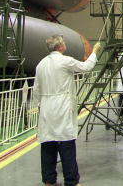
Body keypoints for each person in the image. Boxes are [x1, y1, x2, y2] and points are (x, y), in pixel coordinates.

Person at [32, 35, 101, 186]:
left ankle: (49, 181)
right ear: (60, 47)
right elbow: (86, 67)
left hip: (46, 108)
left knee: (48, 145)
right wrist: (95, 51)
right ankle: (71, 181)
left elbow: (36, 89)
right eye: (64, 43)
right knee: (66, 145)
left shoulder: (41, 64)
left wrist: (38, 105)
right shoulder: (65, 61)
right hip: (62, 107)